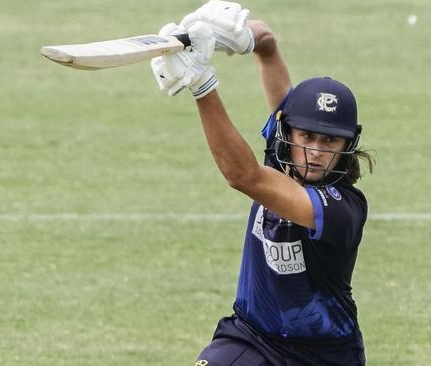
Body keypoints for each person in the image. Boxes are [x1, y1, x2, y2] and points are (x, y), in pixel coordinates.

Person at [150, 2, 374, 365]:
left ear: (347, 146)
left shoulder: (342, 210)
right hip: (251, 336)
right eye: (306, 136)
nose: (314, 151)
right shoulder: (284, 155)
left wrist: (201, 83)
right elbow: (268, 46)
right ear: (288, 132)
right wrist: (236, 37)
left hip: (323, 355)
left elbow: (243, 176)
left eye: (329, 142)